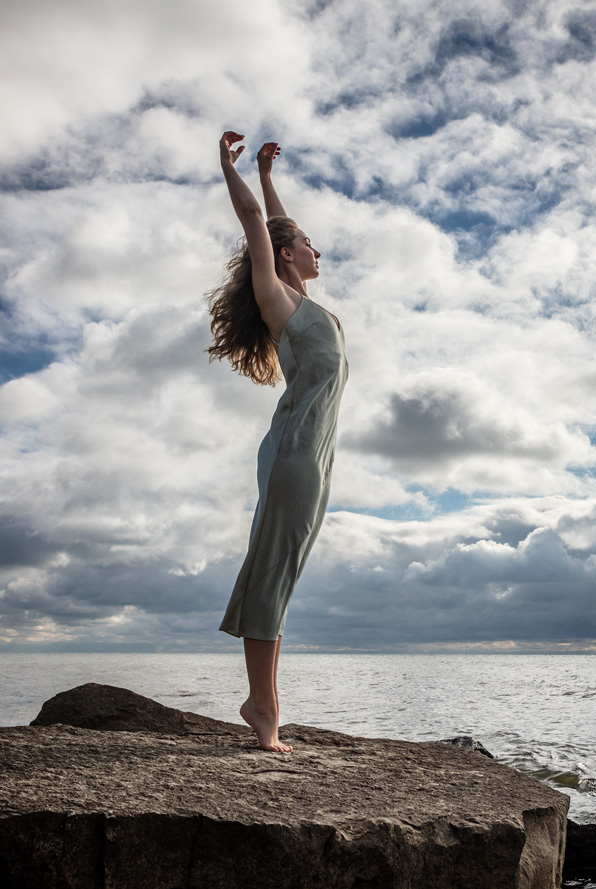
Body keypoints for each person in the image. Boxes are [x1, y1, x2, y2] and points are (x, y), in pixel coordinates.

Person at [208, 131, 348, 752]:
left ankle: (263, 701)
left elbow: (278, 220)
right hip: (294, 454)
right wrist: (229, 168)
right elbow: (258, 224)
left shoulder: (306, 303)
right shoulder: (277, 298)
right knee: (273, 570)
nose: (316, 247)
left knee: (283, 572)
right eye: (307, 243)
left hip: (314, 455)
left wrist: (268, 173)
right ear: (285, 256)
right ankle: (263, 707)